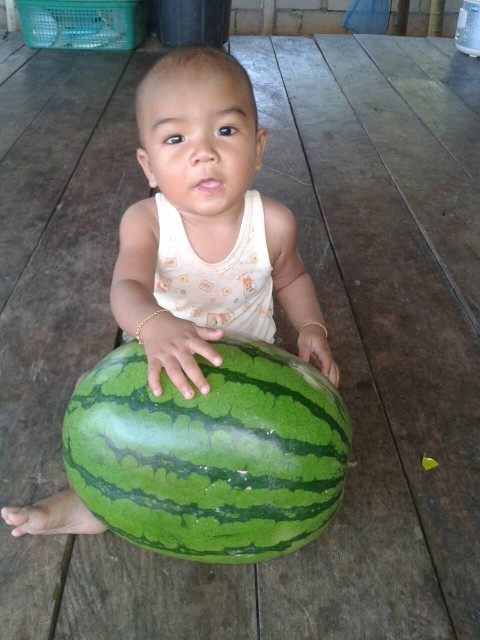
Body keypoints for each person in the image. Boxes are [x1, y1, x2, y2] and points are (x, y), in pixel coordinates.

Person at [1, 45, 340, 538]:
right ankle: (90, 503)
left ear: (258, 147)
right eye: (176, 138)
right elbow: (126, 288)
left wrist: (311, 327)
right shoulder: (147, 223)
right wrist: (154, 325)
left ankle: (225, 508)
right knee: (118, 430)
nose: (204, 153)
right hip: (159, 360)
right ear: (149, 166)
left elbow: (292, 279)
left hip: (248, 366)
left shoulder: (273, 223)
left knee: (230, 458)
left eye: (226, 131)